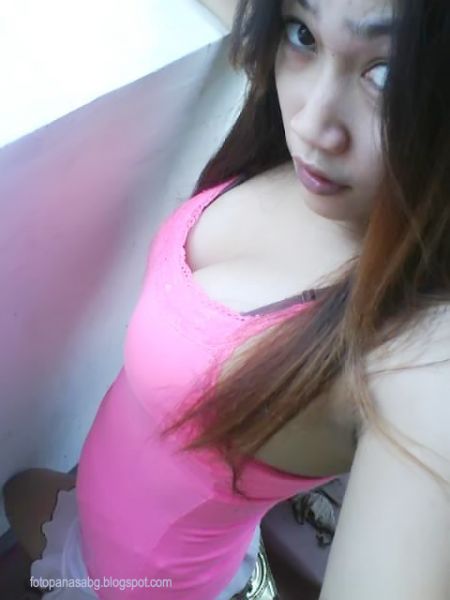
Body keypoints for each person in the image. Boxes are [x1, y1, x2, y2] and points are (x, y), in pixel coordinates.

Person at [3, 0, 450, 598]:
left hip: (142, 586)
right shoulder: (304, 148)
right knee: (18, 490)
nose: (312, 124)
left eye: (386, 74)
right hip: (93, 510)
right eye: (303, 34)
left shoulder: (419, 352)